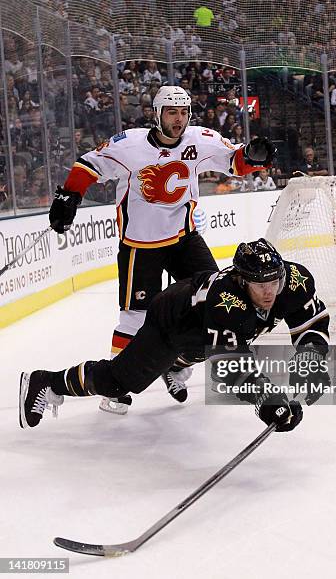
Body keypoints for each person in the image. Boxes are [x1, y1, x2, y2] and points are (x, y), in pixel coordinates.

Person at [48, 86, 276, 415]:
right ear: (156, 114)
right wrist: (70, 195)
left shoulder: (200, 140)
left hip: (184, 239)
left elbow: (235, 162)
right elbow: (89, 165)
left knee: (209, 303)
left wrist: (254, 157)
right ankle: (115, 385)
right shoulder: (130, 145)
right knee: (135, 318)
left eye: (183, 112)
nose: (179, 119)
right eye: (171, 112)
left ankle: (177, 365)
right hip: (140, 246)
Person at [19, 239, 331, 432]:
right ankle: (47, 381)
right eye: (258, 284)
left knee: (205, 348)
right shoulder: (226, 300)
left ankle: (176, 366)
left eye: (273, 282)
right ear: (240, 279)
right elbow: (229, 367)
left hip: (203, 333)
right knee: (119, 382)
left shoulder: (295, 280)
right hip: (171, 322)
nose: (268, 291)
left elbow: (312, 323)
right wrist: (267, 399)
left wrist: (311, 363)